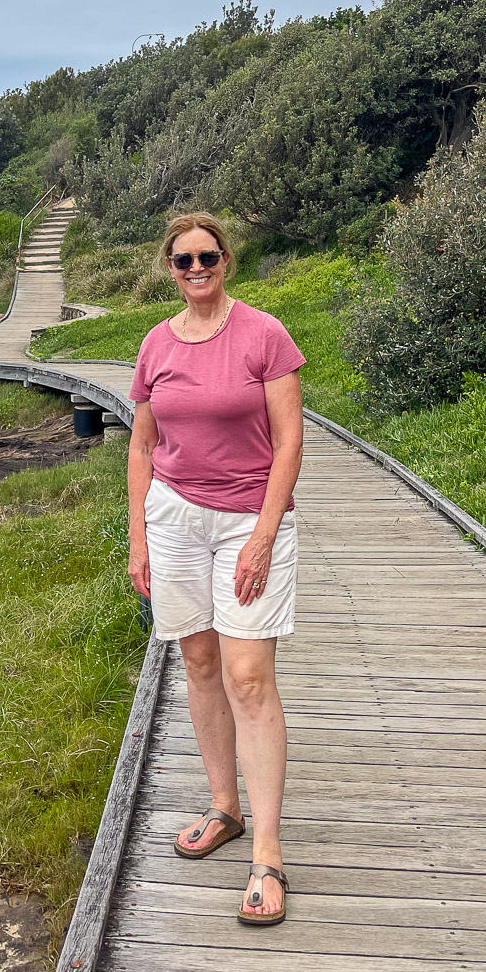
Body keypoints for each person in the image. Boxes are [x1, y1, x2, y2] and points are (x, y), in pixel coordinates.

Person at [127, 212, 305, 927]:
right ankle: (224, 807)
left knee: (248, 675)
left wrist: (263, 535)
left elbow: (290, 443)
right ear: (170, 269)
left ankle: (268, 853)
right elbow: (142, 446)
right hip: (173, 519)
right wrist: (139, 537)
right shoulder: (156, 343)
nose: (196, 269)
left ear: (226, 260)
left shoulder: (265, 334)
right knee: (199, 662)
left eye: (207, 257)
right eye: (184, 260)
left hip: (247, 520)